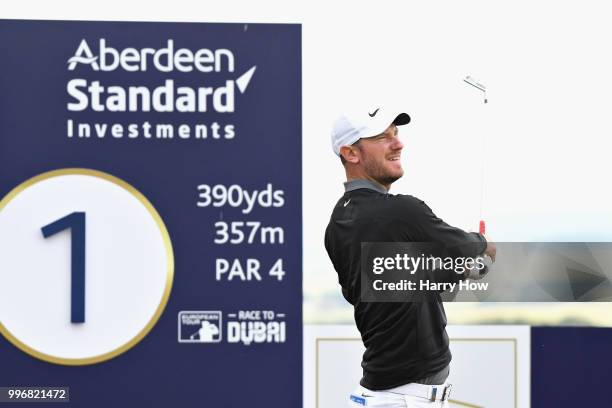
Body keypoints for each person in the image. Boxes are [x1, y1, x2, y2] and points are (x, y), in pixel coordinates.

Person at [324, 105, 496, 407]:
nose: (398, 144)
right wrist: (483, 245)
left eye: (396, 134)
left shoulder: (338, 223)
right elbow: (470, 250)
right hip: (402, 399)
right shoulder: (401, 212)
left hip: (383, 396)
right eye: (382, 137)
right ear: (351, 153)